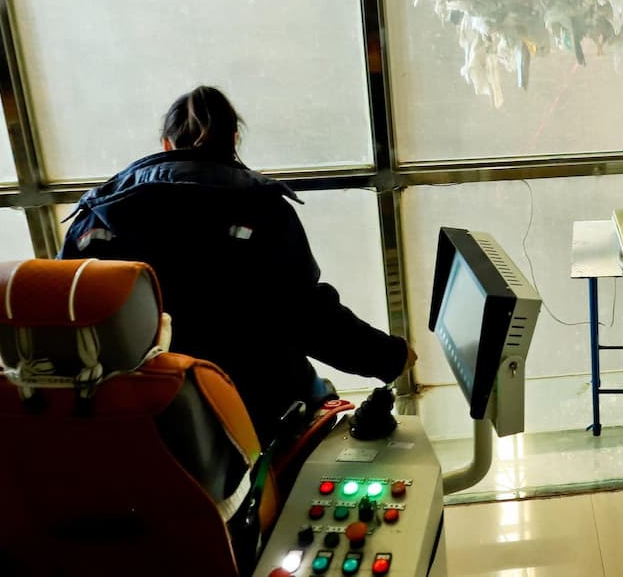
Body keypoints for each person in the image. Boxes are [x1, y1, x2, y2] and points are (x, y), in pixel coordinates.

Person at [59, 86, 414, 441]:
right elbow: (307, 316)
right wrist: (390, 357)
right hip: (255, 414)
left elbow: (65, 322)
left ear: (166, 143)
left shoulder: (95, 216)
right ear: (234, 139)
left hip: (135, 422)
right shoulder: (262, 210)